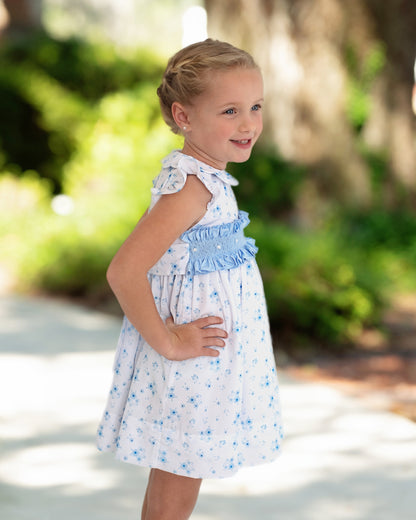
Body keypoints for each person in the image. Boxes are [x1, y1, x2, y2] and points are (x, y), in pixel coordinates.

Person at [96, 38, 283, 520]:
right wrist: (169, 342)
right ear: (183, 116)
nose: (248, 124)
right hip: (191, 363)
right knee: (178, 477)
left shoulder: (208, 179)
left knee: (180, 473)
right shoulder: (192, 187)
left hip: (208, 362)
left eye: (255, 107)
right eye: (229, 111)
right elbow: (124, 270)